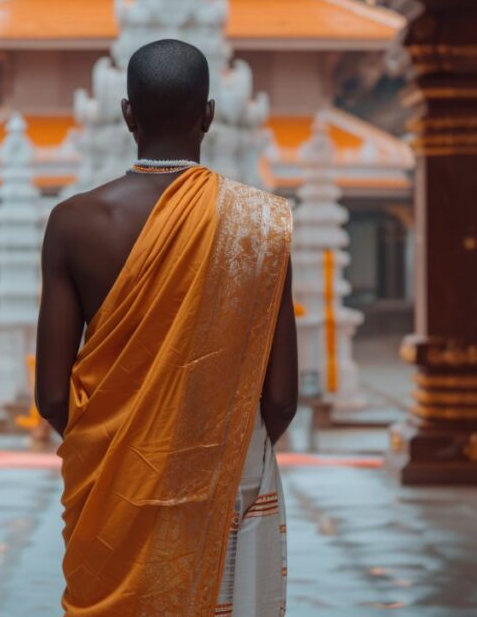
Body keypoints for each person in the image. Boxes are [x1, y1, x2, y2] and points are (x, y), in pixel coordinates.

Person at [35, 38, 298, 616]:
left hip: (112, 485)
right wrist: (218, 451)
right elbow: (280, 400)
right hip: (227, 476)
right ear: (208, 114)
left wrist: (120, 455)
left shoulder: (74, 222)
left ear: (126, 112)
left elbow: (52, 395)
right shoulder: (258, 223)